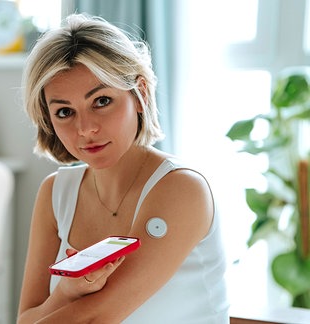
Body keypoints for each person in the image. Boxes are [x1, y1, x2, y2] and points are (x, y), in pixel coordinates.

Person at [17, 13, 229, 323]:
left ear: (140, 94)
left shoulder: (182, 190)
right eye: (64, 111)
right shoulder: (55, 194)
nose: (85, 128)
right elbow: (26, 318)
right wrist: (66, 291)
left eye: (102, 101)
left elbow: (96, 318)